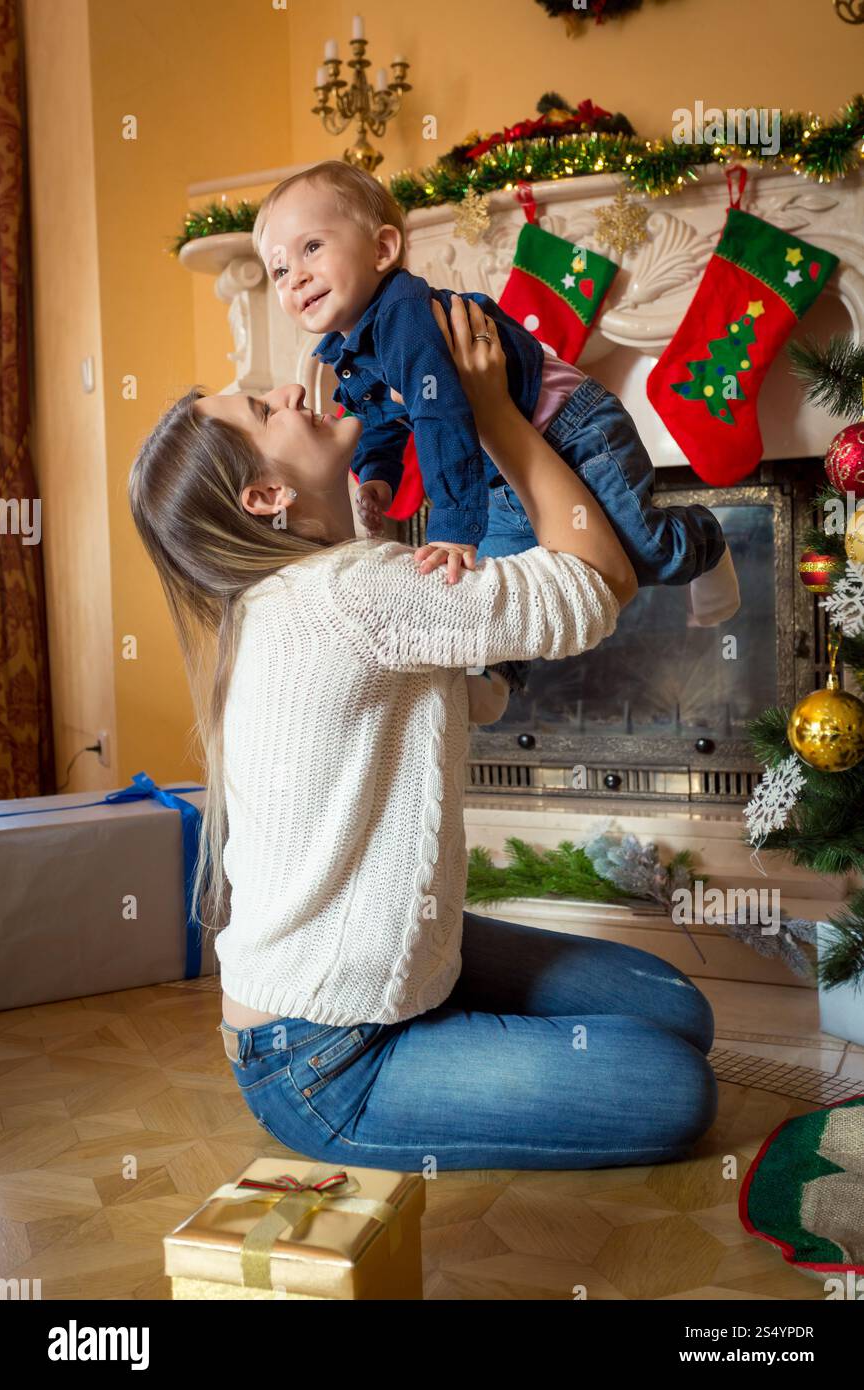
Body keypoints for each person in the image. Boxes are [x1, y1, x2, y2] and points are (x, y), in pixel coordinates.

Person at [127, 294, 718, 1172]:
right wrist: (496, 415)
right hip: (327, 1062)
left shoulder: (302, 592)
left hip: (404, 964)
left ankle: (458, 1034)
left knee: (676, 1008)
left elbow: (468, 693)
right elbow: (595, 581)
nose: (292, 391)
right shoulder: (349, 593)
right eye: (262, 410)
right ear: (265, 495)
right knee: (674, 1085)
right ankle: (442, 1057)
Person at [252, 159, 740, 695]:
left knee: (640, 550)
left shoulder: (404, 318)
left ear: (382, 250)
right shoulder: (350, 349)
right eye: (278, 270)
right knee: (495, 581)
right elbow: (380, 419)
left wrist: (452, 527)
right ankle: (495, 683)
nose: (295, 275)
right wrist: (379, 476)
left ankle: (705, 540)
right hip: (496, 472)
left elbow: (439, 415)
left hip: (571, 428)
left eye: (312, 248)